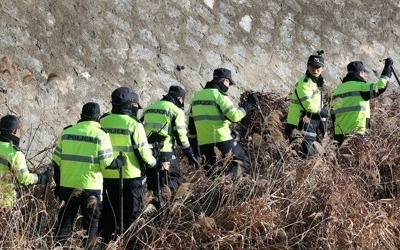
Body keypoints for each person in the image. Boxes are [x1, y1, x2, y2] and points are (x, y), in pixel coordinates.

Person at [98, 87, 170, 243]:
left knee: (108, 216)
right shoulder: (133, 124)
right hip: (130, 177)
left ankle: (106, 244)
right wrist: (156, 165)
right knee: (132, 218)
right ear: (130, 105)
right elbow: (143, 154)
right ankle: (131, 246)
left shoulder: (102, 121)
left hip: (106, 175)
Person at [52, 102, 124, 248]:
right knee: (90, 227)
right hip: (91, 189)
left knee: (64, 225)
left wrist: (59, 185)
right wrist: (120, 162)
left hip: (67, 187)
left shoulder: (66, 133)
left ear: (81, 116)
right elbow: (108, 163)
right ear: (98, 118)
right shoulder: (101, 135)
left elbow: (56, 162)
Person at [188, 68, 258, 177]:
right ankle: (228, 182)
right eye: (229, 83)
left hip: (204, 145)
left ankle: (219, 190)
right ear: (224, 80)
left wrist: (194, 148)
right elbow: (234, 116)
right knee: (243, 162)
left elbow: (191, 128)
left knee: (213, 174)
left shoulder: (195, 98)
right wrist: (250, 103)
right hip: (222, 141)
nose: (228, 86)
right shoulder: (219, 96)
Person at [142, 85, 199, 196]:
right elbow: (181, 136)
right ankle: (168, 209)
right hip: (166, 153)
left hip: (148, 154)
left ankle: (153, 209)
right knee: (171, 183)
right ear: (180, 99)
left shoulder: (149, 108)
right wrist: (190, 154)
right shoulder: (176, 111)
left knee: (152, 186)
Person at [330, 58, 393, 145]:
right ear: (360, 73)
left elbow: (332, 115)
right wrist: (387, 69)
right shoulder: (361, 87)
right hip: (356, 132)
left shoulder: (336, 91)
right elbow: (381, 86)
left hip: (339, 135)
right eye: (364, 73)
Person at [284, 50, 328, 157]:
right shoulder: (305, 83)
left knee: (310, 156)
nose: (315, 70)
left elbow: (317, 103)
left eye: (318, 67)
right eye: (313, 67)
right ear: (308, 66)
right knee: (304, 156)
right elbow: (308, 105)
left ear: (322, 69)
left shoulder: (315, 83)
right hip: (298, 124)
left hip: (309, 124)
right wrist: (323, 112)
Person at [0, 115, 50, 207]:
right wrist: (42, 178)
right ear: (15, 131)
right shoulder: (15, 154)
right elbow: (23, 178)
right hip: (4, 201)